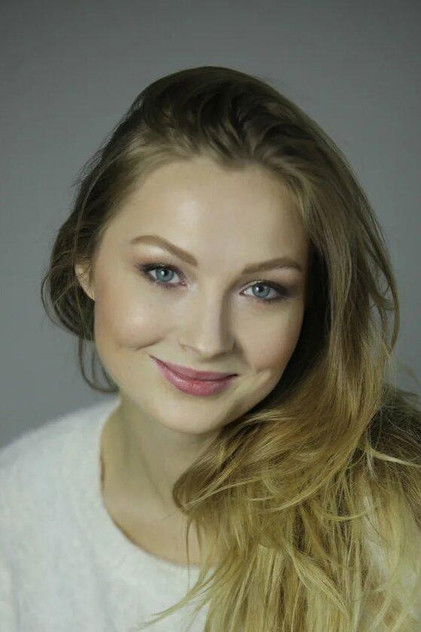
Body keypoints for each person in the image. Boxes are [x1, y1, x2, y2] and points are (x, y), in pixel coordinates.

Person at [1, 66, 420, 632]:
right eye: (164, 272)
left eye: (262, 289)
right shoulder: (16, 508)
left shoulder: (395, 521)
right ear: (86, 263)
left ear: (309, 307)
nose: (207, 341)